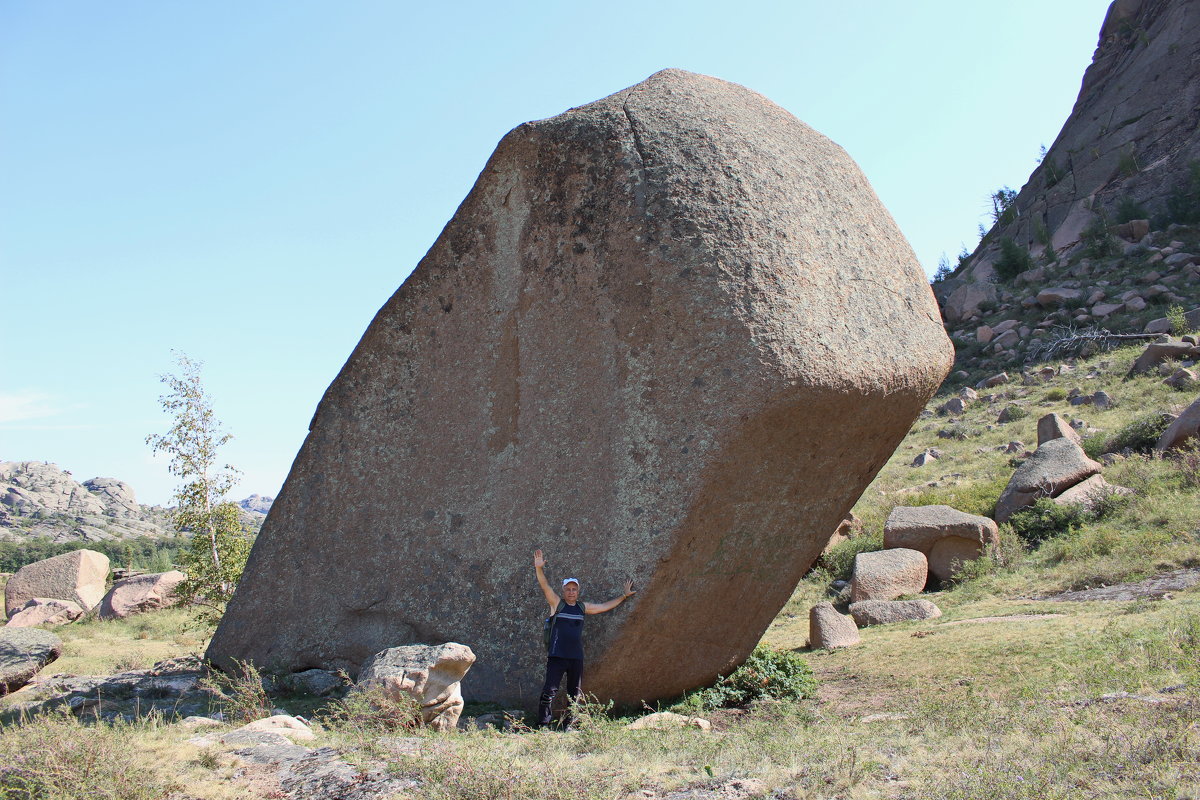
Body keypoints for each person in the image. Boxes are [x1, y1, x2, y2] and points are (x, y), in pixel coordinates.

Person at [533, 548, 635, 728]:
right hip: (557, 656)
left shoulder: (582, 607)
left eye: (574, 589)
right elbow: (545, 586)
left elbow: (604, 606)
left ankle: (569, 725)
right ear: (563, 591)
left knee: (575, 694)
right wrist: (539, 568)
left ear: (578, 591)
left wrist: (624, 596)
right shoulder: (557, 604)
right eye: (568, 589)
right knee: (549, 691)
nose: (571, 592)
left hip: (575, 657)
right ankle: (543, 725)